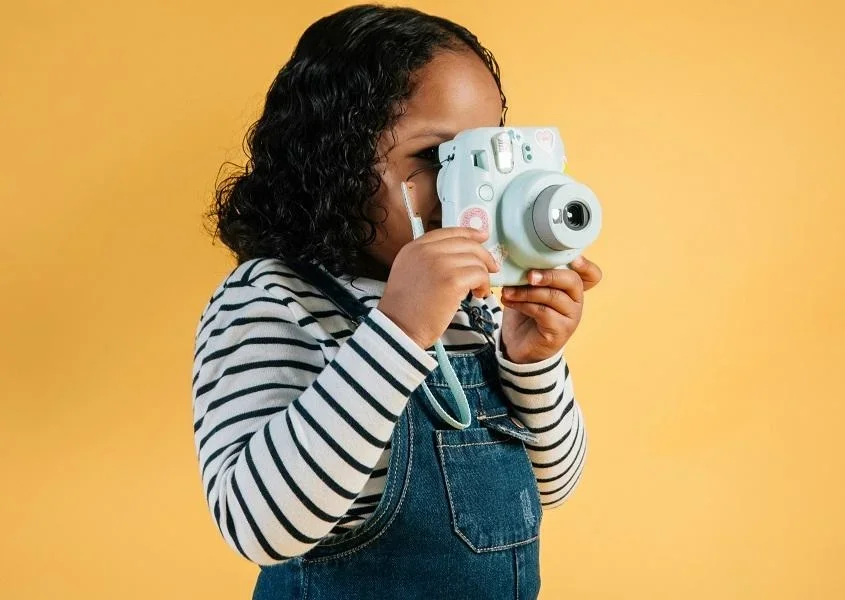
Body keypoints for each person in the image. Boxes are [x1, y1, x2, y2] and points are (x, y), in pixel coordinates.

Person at [191, 4, 603, 599]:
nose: (469, 185)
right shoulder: (271, 300)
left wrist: (530, 362)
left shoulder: (474, 309)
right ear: (333, 161)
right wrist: (399, 330)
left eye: (485, 152)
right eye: (438, 158)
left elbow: (551, 486)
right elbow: (258, 526)